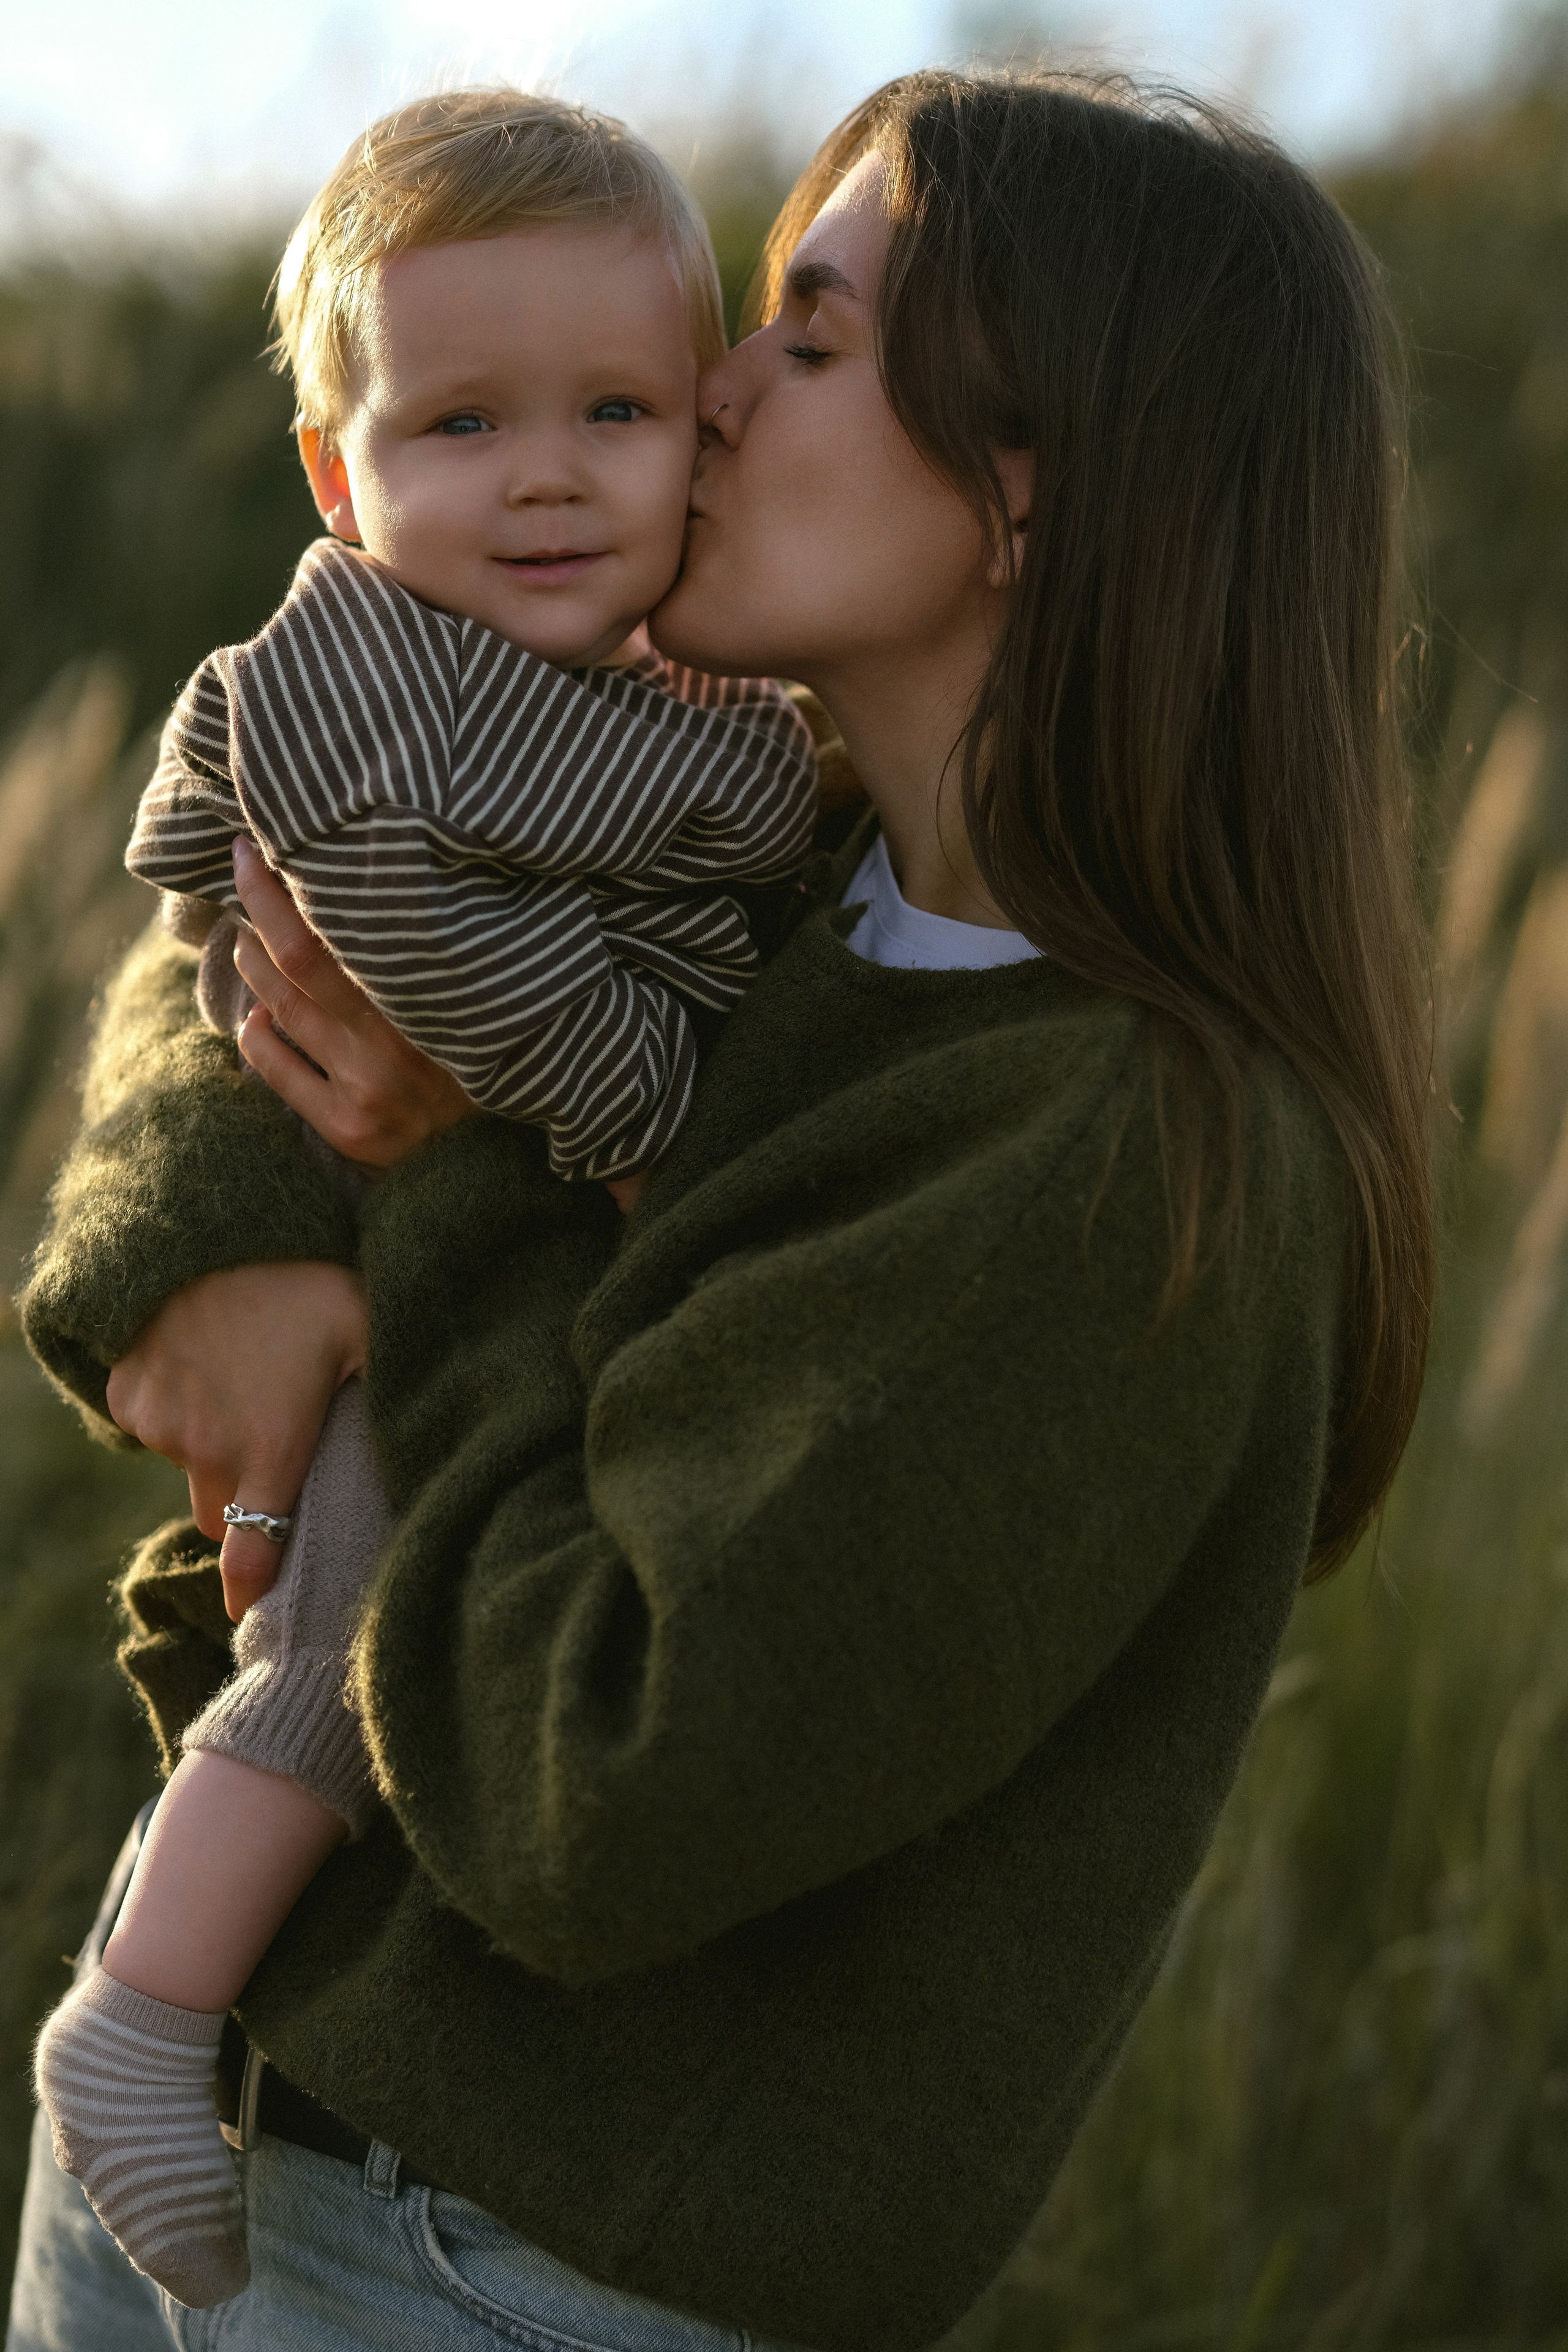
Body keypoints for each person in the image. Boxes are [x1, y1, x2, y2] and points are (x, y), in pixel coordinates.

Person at [9, 66, 1435, 2352]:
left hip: (503, 2271)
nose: (716, 389)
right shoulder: (774, 849)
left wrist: (441, 1171)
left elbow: (596, 1788)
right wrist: (225, 1242)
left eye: (814, 336)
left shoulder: (1132, 1160)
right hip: (208, 2098)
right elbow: (272, 925)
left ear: (1031, 486)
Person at [29, 85, 816, 2314]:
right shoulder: (386, 688)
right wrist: (633, 1111)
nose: (548, 474)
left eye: (614, 412)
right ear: (337, 471)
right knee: (341, 1638)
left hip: (484, 1329)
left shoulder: (660, 689)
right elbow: (387, 935)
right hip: (397, 1287)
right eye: (463, 423)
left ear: (703, 432)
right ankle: (144, 2014)